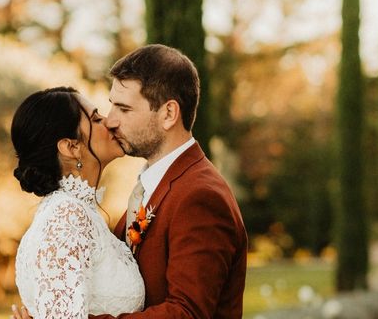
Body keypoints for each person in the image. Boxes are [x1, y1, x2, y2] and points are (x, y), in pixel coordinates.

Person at [13, 44, 248, 319]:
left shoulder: (199, 195)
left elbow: (188, 313)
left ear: (169, 114)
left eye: (123, 109)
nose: (111, 121)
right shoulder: (150, 189)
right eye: (109, 108)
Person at [11, 86, 144, 318]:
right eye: (96, 118)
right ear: (71, 147)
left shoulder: (77, 212)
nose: (110, 121)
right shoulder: (67, 216)